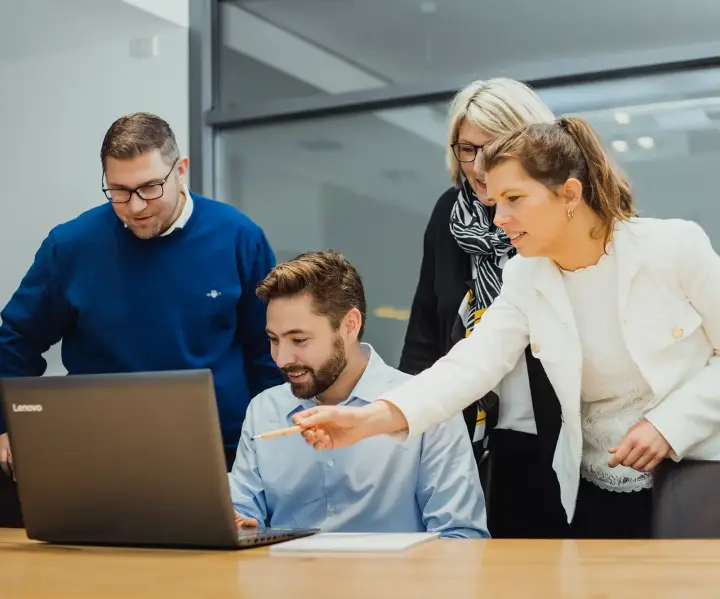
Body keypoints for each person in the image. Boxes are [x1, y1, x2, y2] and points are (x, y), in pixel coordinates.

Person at [292, 117, 720, 539]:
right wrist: (366, 419)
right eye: (495, 202)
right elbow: (468, 366)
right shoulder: (524, 277)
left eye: (515, 198)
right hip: (598, 485)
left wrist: (669, 424)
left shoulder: (673, 247)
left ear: (569, 194)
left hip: (699, 476)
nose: (500, 218)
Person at [0, 112, 282, 477]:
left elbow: (268, 353)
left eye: (149, 187)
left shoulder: (239, 238)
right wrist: (6, 424)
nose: (135, 206)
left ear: (181, 170)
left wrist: (272, 443)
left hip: (220, 453)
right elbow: (16, 340)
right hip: (98, 451)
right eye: (119, 190)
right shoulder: (70, 246)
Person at [399, 78, 566, 538]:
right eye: (467, 148)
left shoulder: (556, 218)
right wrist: (404, 418)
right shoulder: (448, 215)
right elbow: (426, 334)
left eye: (493, 147)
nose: (477, 164)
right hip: (483, 436)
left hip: (562, 431)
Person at [228, 250, 489, 538]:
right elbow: (241, 516)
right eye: (273, 340)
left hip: (395, 581)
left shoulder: (427, 409)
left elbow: (462, 538)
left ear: (350, 325)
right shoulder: (264, 411)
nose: (281, 359)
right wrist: (238, 527)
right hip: (287, 580)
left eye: (299, 339)